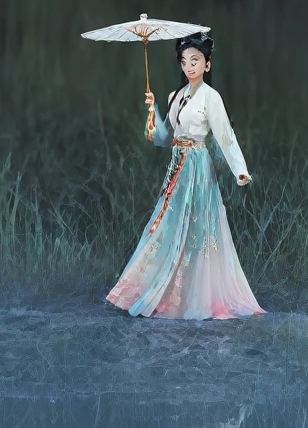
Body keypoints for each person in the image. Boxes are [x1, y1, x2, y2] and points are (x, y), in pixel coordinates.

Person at [106, 28, 264, 320]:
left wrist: (239, 170)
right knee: (168, 224)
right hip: (177, 168)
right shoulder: (174, 96)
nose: (190, 66)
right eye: (184, 61)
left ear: (207, 64)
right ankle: (165, 291)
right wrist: (153, 112)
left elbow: (224, 136)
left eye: (196, 60)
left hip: (197, 168)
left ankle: (201, 294)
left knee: (200, 228)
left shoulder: (210, 97)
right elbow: (164, 138)